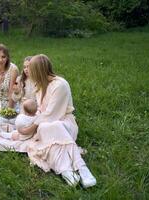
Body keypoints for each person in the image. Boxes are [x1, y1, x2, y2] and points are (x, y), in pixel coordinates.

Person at [19, 54, 97, 188]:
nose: (28, 72)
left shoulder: (60, 85)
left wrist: (30, 129)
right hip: (47, 126)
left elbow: (51, 115)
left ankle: (82, 168)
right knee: (46, 127)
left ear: (39, 71)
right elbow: (41, 112)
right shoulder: (39, 86)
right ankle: (66, 170)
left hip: (65, 124)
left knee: (52, 126)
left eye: (31, 69)